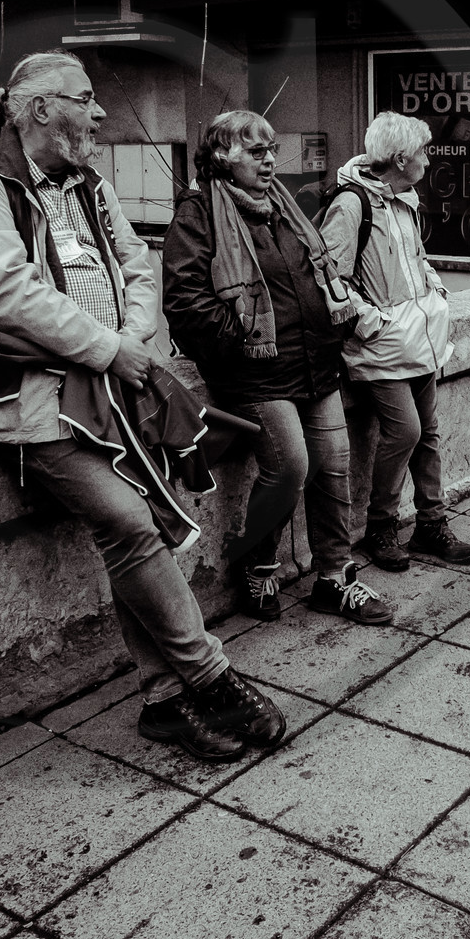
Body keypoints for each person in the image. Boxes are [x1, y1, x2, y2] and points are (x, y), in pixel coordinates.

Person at [0, 51, 284, 763]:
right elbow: (5, 293)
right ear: (37, 110)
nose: (98, 115)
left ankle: (162, 700)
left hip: (107, 388)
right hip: (28, 397)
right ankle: (211, 677)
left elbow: (136, 265)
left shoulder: (89, 185)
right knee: (128, 520)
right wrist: (106, 350)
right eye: (84, 100)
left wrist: (127, 339)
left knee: (141, 526)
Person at [162, 110, 392, 627]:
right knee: (290, 468)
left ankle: (336, 578)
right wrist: (243, 343)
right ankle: (256, 560)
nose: (269, 160)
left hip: (316, 365)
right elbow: (184, 302)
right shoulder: (199, 212)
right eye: (255, 151)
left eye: (271, 150)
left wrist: (336, 326)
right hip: (257, 374)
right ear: (222, 156)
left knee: (333, 471)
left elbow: (321, 272)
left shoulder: (284, 208)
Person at [319, 112, 470, 574]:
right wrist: (372, 324)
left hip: (419, 340)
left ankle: (431, 523)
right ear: (400, 158)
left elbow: (417, 257)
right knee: (407, 432)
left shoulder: (403, 199)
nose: (429, 161)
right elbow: (329, 276)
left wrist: (436, 292)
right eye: (424, 152)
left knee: (428, 436)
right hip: (384, 348)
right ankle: (381, 527)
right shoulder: (351, 204)